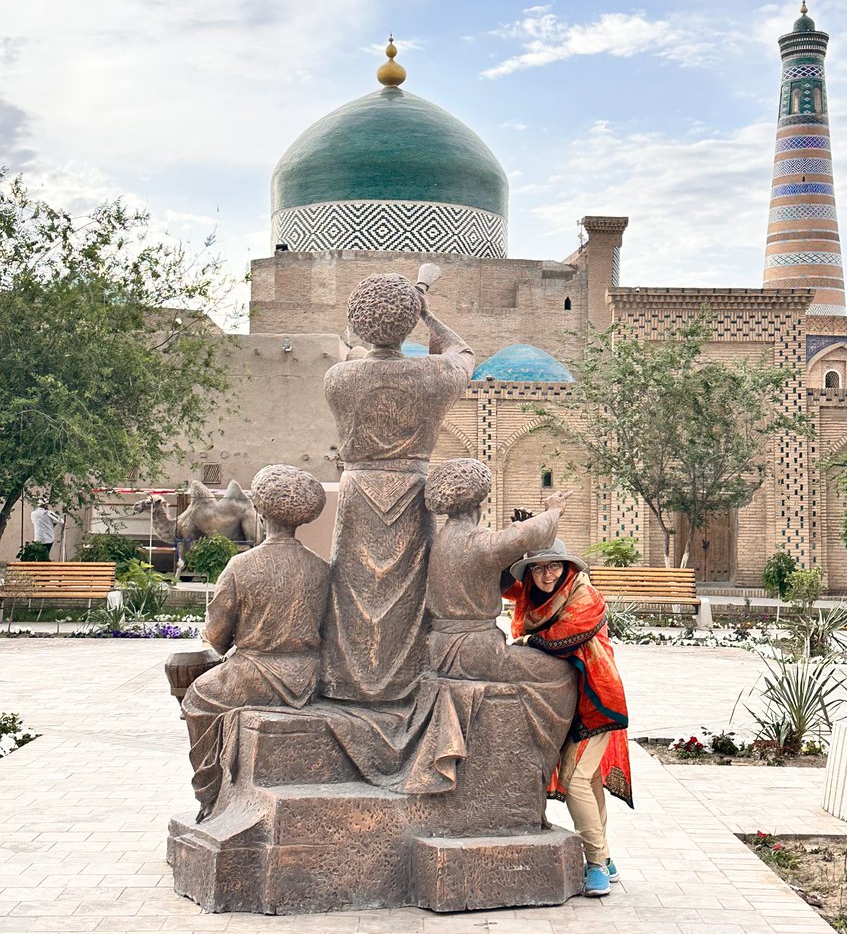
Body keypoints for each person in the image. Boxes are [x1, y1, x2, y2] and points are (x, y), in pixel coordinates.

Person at [320, 270, 475, 703]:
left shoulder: (338, 379)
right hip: (411, 490)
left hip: (358, 490)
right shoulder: (433, 376)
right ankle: (406, 682)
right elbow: (461, 351)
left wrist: (401, 308)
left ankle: (348, 682)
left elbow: (358, 356)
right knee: (411, 589)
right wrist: (426, 312)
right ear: (410, 322)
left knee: (352, 587)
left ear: (357, 322)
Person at [182, 465, 329, 821]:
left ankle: (211, 791)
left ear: (259, 512)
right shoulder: (322, 568)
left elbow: (216, 638)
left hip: (255, 674)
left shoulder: (240, 565)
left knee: (197, 700)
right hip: (311, 675)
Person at [424, 459, 578, 786]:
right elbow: (526, 535)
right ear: (477, 506)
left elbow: (499, 563)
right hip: (473, 651)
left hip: (443, 646)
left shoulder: (443, 540)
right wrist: (552, 511)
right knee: (561, 674)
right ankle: (537, 764)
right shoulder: (475, 541)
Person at [505, 538, 633, 898]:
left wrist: (528, 642)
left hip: (597, 698)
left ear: (566, 567)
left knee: (576, 779)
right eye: (538, 567)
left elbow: (566, 635)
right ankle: (606, 860)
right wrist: (519, 537)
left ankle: (595, 864)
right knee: (588, 780)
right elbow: (500, 582)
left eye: (554, 566)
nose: (547, 575)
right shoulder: (534, 594)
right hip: (568, 701)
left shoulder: (583, 593)